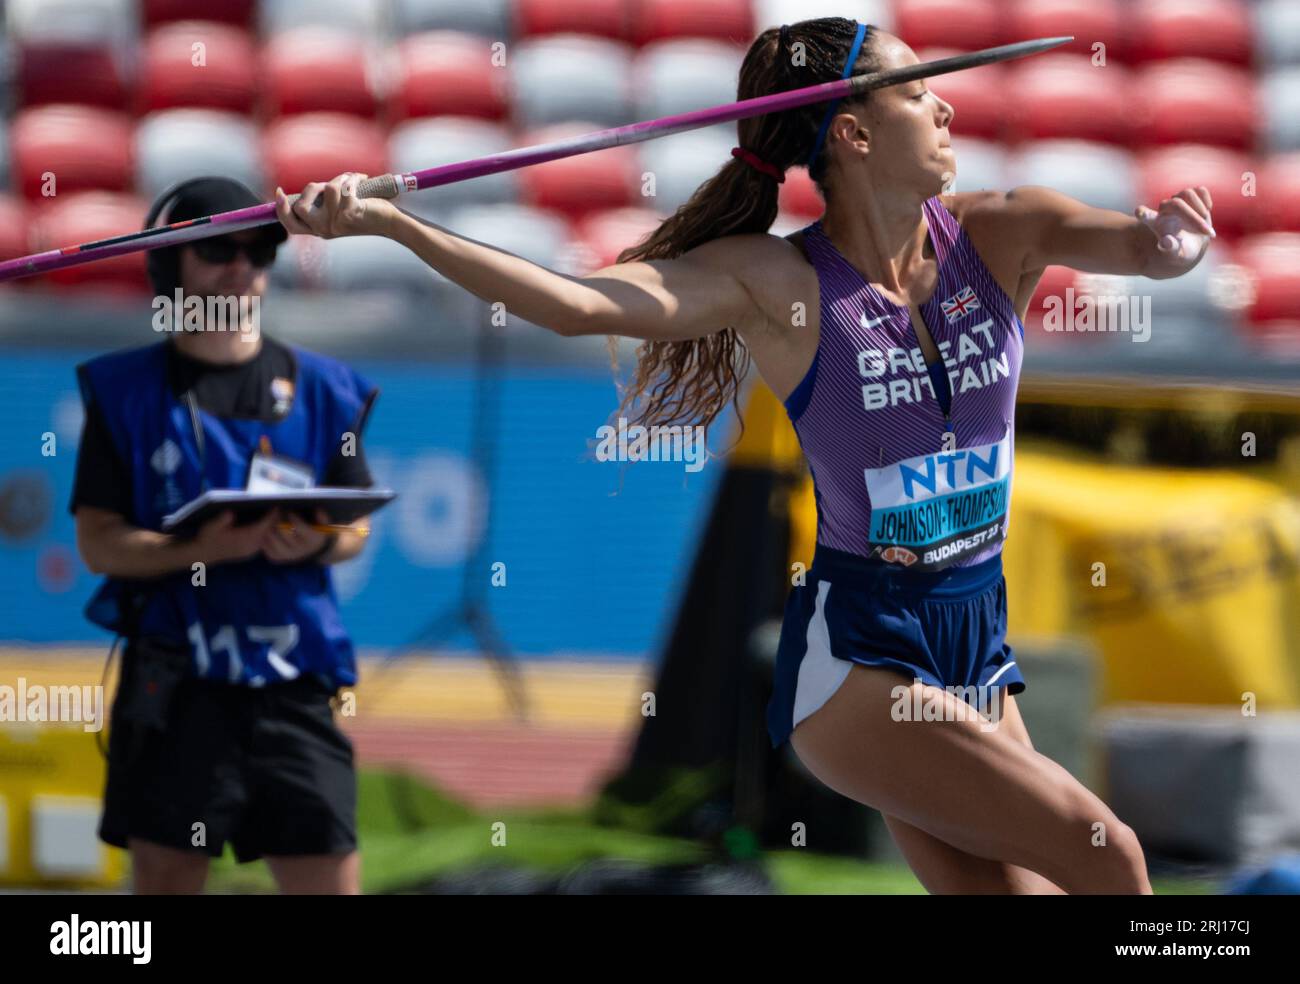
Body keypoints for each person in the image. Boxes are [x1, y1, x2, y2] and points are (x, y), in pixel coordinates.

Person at [273, 19, 1215, 894]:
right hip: (863, 660)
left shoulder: (1002, 230)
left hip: (976, 638)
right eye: (920, 87)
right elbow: (578, 305)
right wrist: (391, 224)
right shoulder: (779, 282)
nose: (948, 103)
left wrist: (1170, 244)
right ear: (851, 133)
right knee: (1110, 854)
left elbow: (1141, 244)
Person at [72, 176, 378, 894]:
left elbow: (354, 528)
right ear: (168, 266)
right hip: (177, 685)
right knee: (165, 882)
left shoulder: (327, 388)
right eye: (216, 250)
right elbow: (98, 543)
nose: (241, 266)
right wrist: (201, 551)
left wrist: (320, 542)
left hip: (293, 680)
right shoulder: (123, 394)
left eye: (260, 248)